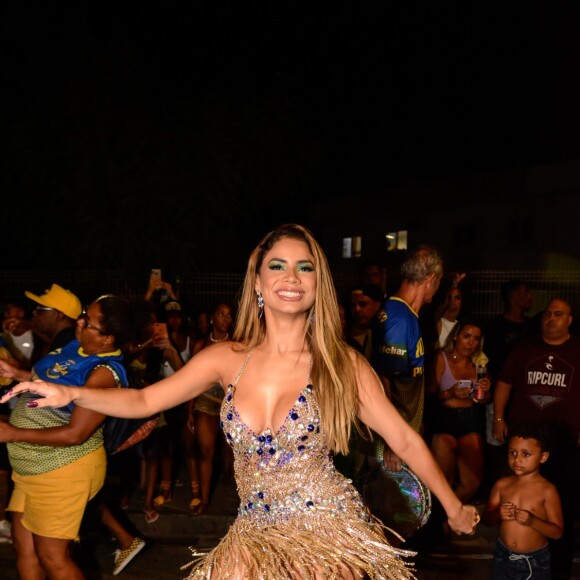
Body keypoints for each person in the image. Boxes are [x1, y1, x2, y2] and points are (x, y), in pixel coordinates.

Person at [2, 224, 479, 579]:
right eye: (278, 265)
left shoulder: (341, 364)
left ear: (317, 285)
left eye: (304, 266)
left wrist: (454, 506)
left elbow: (405, 439)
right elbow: (146, 398)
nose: (291, 276)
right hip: (252, 533)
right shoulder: (224, 359)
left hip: (328, 530)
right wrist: (71, 391)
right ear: (258, 281)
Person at [0, 294, 147, 579]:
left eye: (88, 322)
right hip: (33, 467)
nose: (80, 323)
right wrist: (16, 372)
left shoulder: (104, 373)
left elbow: (75, 434)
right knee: (26, 551)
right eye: (83, 315)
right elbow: (50, 380)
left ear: (107, 339)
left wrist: (12, 433)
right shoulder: (76, 346)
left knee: (53, 558)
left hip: (63, 470)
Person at [492, 298, 580, 578]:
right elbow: (504, 383)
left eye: (558, 314)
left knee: (559, 507)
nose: (550, 318)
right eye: (547, 314)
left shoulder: (578, 349)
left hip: (564, 444)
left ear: (570, 319)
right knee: (520, 498)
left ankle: (558, 571)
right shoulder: (525, 347)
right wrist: (499, 418)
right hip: (524, 444)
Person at [371, 243, 443, 470]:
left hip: (403, 433)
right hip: (393, 442)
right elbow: (381, 381)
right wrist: (393, 439)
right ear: (431, 279)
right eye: (439, 282)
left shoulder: (407, 315)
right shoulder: (398, 318)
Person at [484, 422, 563, 580]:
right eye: (512, 453)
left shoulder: (547, 491)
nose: (517, 459)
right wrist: (498, 514)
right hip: (503, 557)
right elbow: (486, 519)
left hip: (535, 562)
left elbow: (557, 532)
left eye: (526, 454)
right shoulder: (502, 485)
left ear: (543, 457)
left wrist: (532, 521)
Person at [427, 319, 490, 513]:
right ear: (456, 336)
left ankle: (446, 518)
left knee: (473, 481)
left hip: (470, 418)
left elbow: (485, 400)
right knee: (443, 479)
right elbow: (430, 394)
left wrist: (485, 391)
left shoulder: (479, 363)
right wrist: (451, 393)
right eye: (466, 336)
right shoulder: (441, 358)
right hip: (445, 418)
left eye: (475, 339)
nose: (470, 343)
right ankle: (439, 522)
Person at [186, 301, 234, 514]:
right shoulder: (201, 345)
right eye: (221, 314)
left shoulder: (236, 345)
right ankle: (204, 499)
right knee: (206, 452)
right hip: (205, 404)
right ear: (212, 318)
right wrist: (190, 410)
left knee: (231, 452)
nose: (226, 319)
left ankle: (232, 488)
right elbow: (191, 381)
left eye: (229, 315)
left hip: (229, 406)